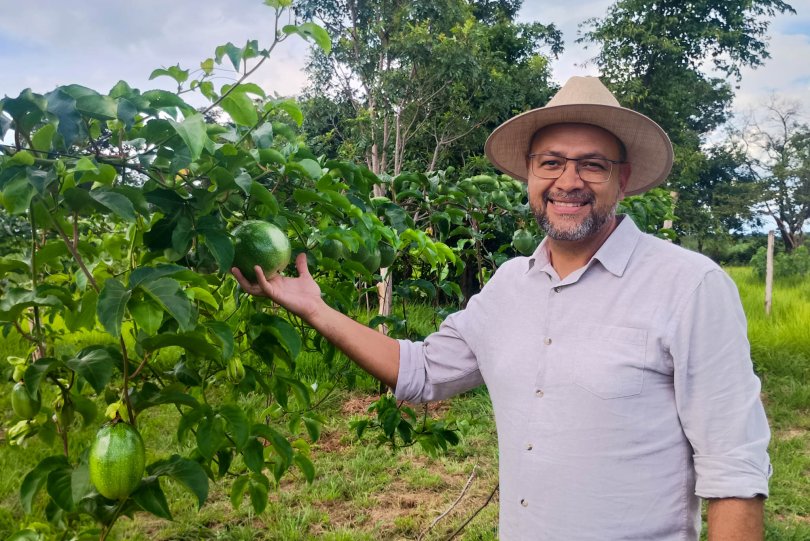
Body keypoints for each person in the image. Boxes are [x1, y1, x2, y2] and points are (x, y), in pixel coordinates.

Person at [233, 76, 772, 540]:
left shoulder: (689, 284)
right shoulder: (509, 285)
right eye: (551, 163)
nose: (568, 181)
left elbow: (734, 470)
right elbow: (421, 370)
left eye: (592, 165)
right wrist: (313, 308)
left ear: (622, 180)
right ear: (528, 176)